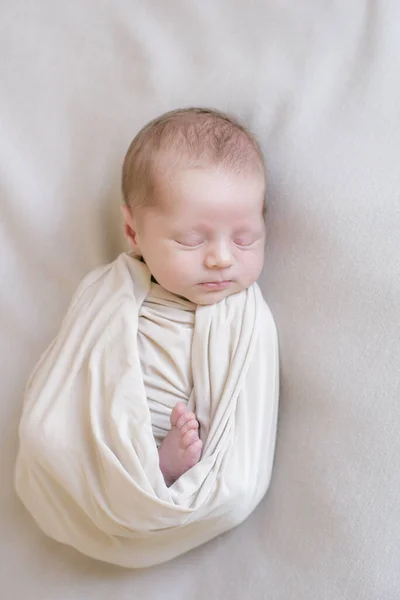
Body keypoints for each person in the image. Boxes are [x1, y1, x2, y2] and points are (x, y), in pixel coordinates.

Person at [121, 107, 267, 486]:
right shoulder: (111, 295)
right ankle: (149, 467)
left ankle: (163, 468)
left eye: (244, 239)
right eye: (190, 240)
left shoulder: (245, 317)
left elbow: (248, 405)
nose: (221, 258)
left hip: (194, 447)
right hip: (120, 436)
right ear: (133, 232)